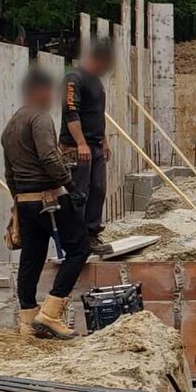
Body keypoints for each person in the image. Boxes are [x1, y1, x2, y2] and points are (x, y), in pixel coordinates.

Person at [2, 67, 89, 339]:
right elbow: (49, 157)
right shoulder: (39, 118)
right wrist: (71, 187)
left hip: (25, 201)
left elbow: (9, 173)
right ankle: (51, 313)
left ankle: (28, 320)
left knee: (31, 257)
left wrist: (18, 201)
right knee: (79, 248)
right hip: (49, 198)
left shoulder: (11, 125)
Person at [60, 38, 114, 256]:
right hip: (77, 148)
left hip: (95, 145)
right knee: (79, 192)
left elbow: (97, 114)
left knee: (98, 189)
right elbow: (70, 112)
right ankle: (77, 239)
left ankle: (91, 234)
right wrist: (81, 143)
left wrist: (104, 140)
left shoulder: (95, 82)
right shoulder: (74, 79)